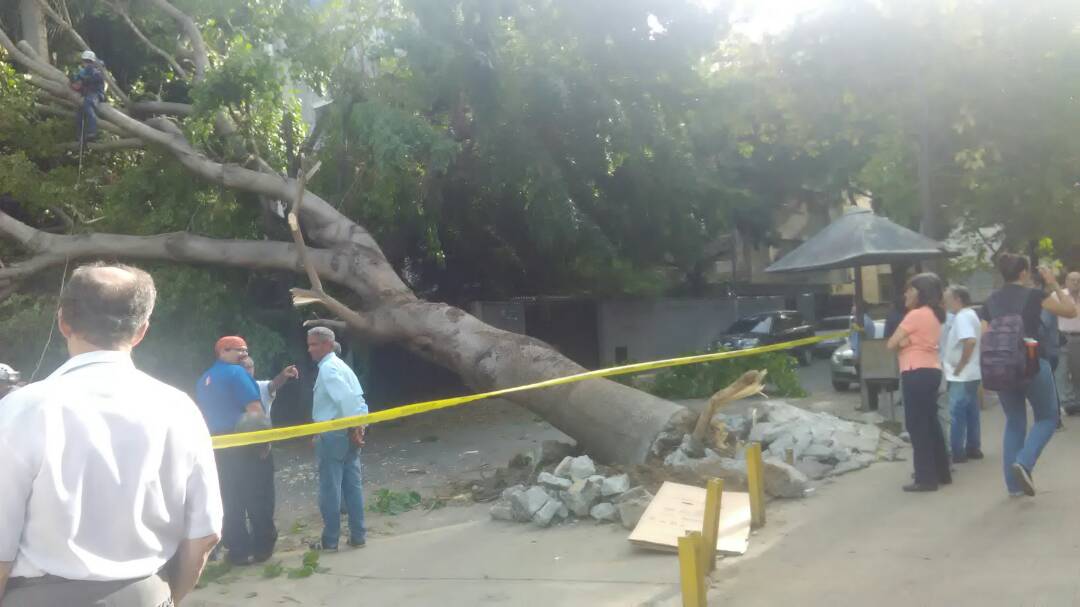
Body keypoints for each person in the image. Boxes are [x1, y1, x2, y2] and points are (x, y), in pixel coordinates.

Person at [0, 263, 222, 606]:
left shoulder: (21, 410)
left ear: (63, 322)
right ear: (142, 330)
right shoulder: (180, 409)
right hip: (146, 593)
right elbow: (205, 534)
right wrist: (168, 597)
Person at [979, 254, 1076, 497]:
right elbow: (1070, 311)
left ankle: (1014, 487)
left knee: (1014, 421)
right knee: (1048, 417)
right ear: (1023, 273)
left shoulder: (991, 301)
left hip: (1002, 367)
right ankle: (1024, 462)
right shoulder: (1034, 296)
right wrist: (1053, 283)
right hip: (1032, 362)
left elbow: (985, 336)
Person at [196, 337, 278, 565]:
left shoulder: (203, 380)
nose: (244, 355)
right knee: (258, 494)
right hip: (244, 442)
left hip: (217, 446)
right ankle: (263, 547)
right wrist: (264, 441)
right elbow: (254, 410)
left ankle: (237, 550)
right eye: (239, 351)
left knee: (229, 498)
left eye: (246, 350)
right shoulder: (237, 373)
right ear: (223, 351)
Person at [887, 273, 950, 492]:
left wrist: (907, 341)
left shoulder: (914, 315)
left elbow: (891, 343)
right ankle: (942, 471)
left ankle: (925, 478)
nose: (906, 294)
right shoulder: (933, 315)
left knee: (917, 425)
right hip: (932, 370)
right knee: (931, 422)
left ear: (920, 293)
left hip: (914, 371)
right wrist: (909, 340)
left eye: (910, 290)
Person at [307, 327, 368, 551]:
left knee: (330, 489)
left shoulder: (328, 369)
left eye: (314, 344)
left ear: (327, 345)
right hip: (347, 433)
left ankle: (330, 540)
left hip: (334, 436)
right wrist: (359, 427)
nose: (310, 349)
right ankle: (358, 535)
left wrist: (354, 427)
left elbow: (346, 400)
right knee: (353, 486)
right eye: (309, 344)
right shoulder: (342, 367)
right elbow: (358, 400)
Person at [942, 285, 982, 463]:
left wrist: (960, 365)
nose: (945, 302)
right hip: (971, 372)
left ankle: (957, 451)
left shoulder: (962, 317)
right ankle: (973, 447)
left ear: (958, 299)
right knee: (971, 410)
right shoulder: (970, 314)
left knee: (957, 413)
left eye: (947, 298)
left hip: (962, 374)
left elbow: (970, 341)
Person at [1055, 271, 1080, 414]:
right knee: (1062, 372)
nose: (1076, 283)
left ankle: (1077, 402)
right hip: (1063, 338)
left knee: (1078, 373)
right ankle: (1066, 403)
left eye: (1078, 280)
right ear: (1066, 281)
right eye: (1073, 280)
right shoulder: (1058, 296)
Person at [69, 50, 105, 143]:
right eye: (85, 62)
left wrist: (85, 80)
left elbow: (95, 80)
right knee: (79, 113)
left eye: (87, 62)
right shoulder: (82, 72)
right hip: (87, 94)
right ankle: (80, 136)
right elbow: (78, 83)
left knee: (88, 104)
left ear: (92, 62)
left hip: (96, 94)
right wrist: (73, 79)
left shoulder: (97, 71)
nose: (85, 64)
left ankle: (92, 131)